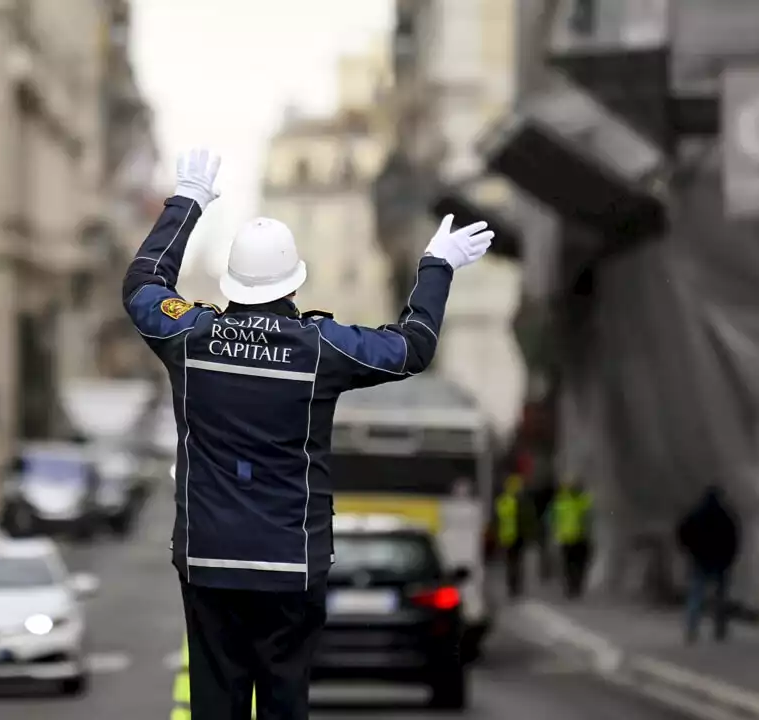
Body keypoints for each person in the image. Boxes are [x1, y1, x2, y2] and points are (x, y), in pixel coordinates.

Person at [124, 148, 494, 720]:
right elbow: (410, 347)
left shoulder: (190, 337)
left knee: (215, 700)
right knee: (283, 702)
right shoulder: (320, 348)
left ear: (233, 282)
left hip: (209, 557)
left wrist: (188, 201)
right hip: (291, 563)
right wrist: (437, 266)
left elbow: (143, 284)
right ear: (293, 283)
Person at [676, 485, 740, 643]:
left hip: (700, 561)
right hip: (720, 562)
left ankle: (692, 629)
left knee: (696, 597)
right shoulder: (725, 515)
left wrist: (690, 551)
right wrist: (729, 558)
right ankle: (719, 630)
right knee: (720, 598)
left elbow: (682, 532)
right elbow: (734, 539)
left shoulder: (697, 514)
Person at [550, 477, 593, 599]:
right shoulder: (564, 501)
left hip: (579, 538)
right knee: (570, 565)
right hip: (568, 538)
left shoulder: (581, 501)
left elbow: (589, 519)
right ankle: (571, 587)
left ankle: (575, 586)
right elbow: (554, 519)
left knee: (578, 565)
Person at [495, 474, 534, 598]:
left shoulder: (503, 501)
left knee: (513, 563)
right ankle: (514, 587)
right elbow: (527, 519)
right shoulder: (520, 501)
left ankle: (514, 587)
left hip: (511, 536)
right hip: (514, 536)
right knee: (515, 563)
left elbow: (497, 519)